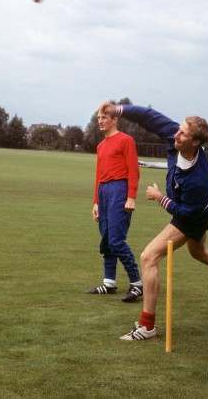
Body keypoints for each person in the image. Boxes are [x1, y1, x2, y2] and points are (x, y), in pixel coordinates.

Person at [97, 102, 208, 340]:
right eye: (179, 128)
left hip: (193, 215)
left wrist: (160, 198)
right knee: (199, 252)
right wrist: (119, 110)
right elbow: (149, 116)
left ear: (195, 142)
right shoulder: (177, 137)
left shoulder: (200, 180)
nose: (176, 134)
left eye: (183, 132)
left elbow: (185, 214)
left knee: (149, 256)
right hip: (196, 210)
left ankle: (147, 326)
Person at [86, 106, 143, 302]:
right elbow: (98, 176)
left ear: (114, 119)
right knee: (107, 238)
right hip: (103, 192)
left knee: (116, 240)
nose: (100, 121)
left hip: (120, 190)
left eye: (104, 117)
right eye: (98, 118)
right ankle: (109, 283)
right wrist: (95, 202)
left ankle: (137, 283)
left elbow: (134, 171)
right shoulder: (101, 146)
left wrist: (131, 196)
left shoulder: (126, 140)